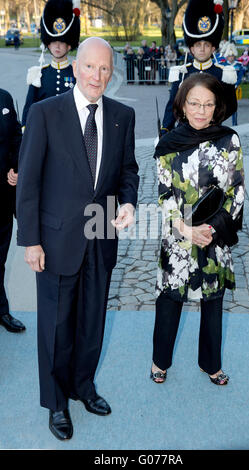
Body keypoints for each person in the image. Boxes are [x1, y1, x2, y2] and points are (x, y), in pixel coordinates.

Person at [16, 37, 139, 441]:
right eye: (90, 67)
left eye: (104, 69)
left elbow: (128, 172)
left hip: (101, 230)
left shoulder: (123, 115)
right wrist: (30, 240)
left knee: (92, 319)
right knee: (55, 325)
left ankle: (83, 386)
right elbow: (29, 182)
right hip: (54, 239)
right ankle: (55, 402)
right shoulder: (44, 113)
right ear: (75, 68)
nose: (97, 76)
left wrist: (129, 203)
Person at [151, 72, 244, 386]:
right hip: (177, 235)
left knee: (213, 300)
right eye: (194, 103)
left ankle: (211, 364)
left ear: (217, 106)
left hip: (214, 236)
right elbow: (163, 193)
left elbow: (237, 194)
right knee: (169, 299)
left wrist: (211, 230)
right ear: (182, 104)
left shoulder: (229, 139)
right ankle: (159, 360)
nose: (201, 110)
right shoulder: (168, 143)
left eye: (208, 104)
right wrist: (184, 229)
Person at [160, 0, 237, 135]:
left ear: (213, 48)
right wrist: (165, 129)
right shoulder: (182, 73)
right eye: (198, 45)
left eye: (206, 45)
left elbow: (231, 105)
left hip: (212, 132)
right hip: (184, 133)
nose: (202, 49)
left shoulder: (222, 73)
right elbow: (172, 105)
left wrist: (212, 120)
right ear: (191, 49)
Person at [22, 0, 80, 128]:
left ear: (69, 45)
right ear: (48, 44)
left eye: (62, 41)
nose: (57, 46)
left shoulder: (77, 74)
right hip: (44, 132)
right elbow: (29, 108)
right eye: (53, 41)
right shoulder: (38, 74)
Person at [0, 88, 26, 333]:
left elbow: (16, 138)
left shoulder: (5, 97)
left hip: (3, 196)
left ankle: (1, 310)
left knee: (0, 259)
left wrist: (16, 167)